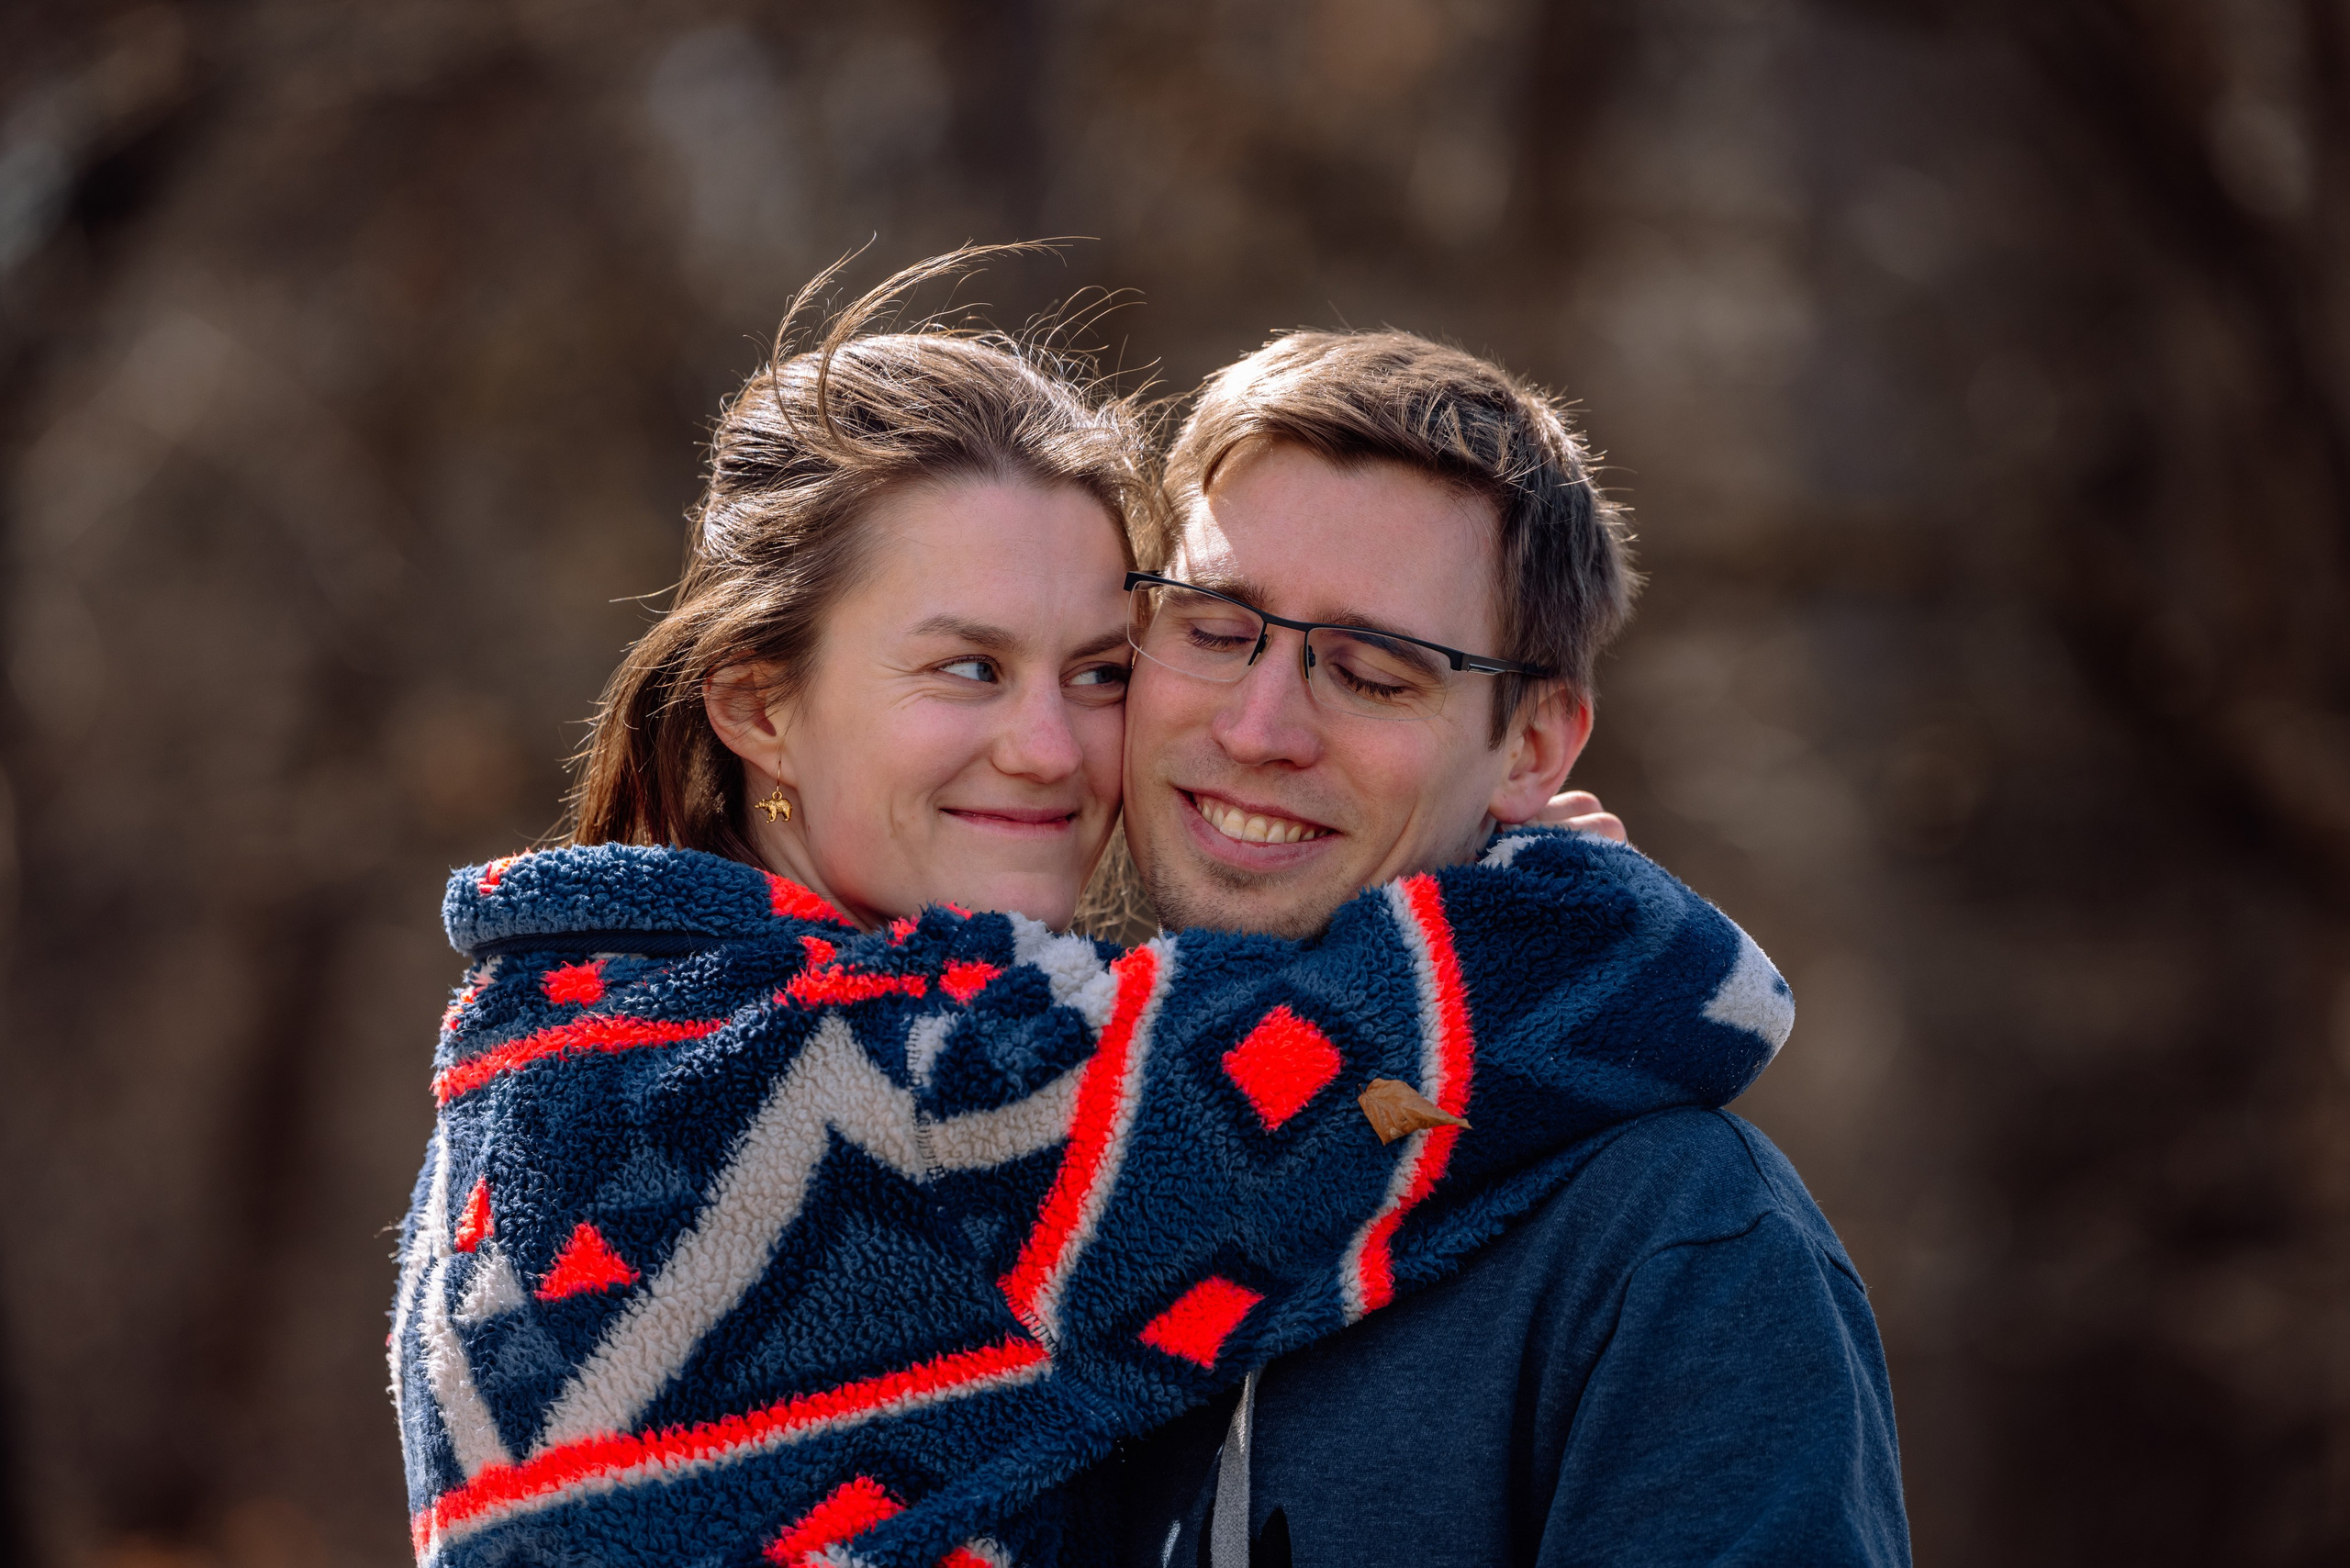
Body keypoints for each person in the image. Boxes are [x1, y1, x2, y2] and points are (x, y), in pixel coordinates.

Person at [387, 254, 1794, 1568]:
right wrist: (1559, 904)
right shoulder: (834, 1102)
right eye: (966, 670)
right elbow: (1694, 987)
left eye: (1103, 672)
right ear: (760, 704)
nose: (1055, 752)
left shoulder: (573, 1040)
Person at [1088, 330, 1911, 1565]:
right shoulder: (1017, 1167)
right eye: (1214, 628)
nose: (1261, 727)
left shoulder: (1678, 1246)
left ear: (1531, 748)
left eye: (1369, 674)